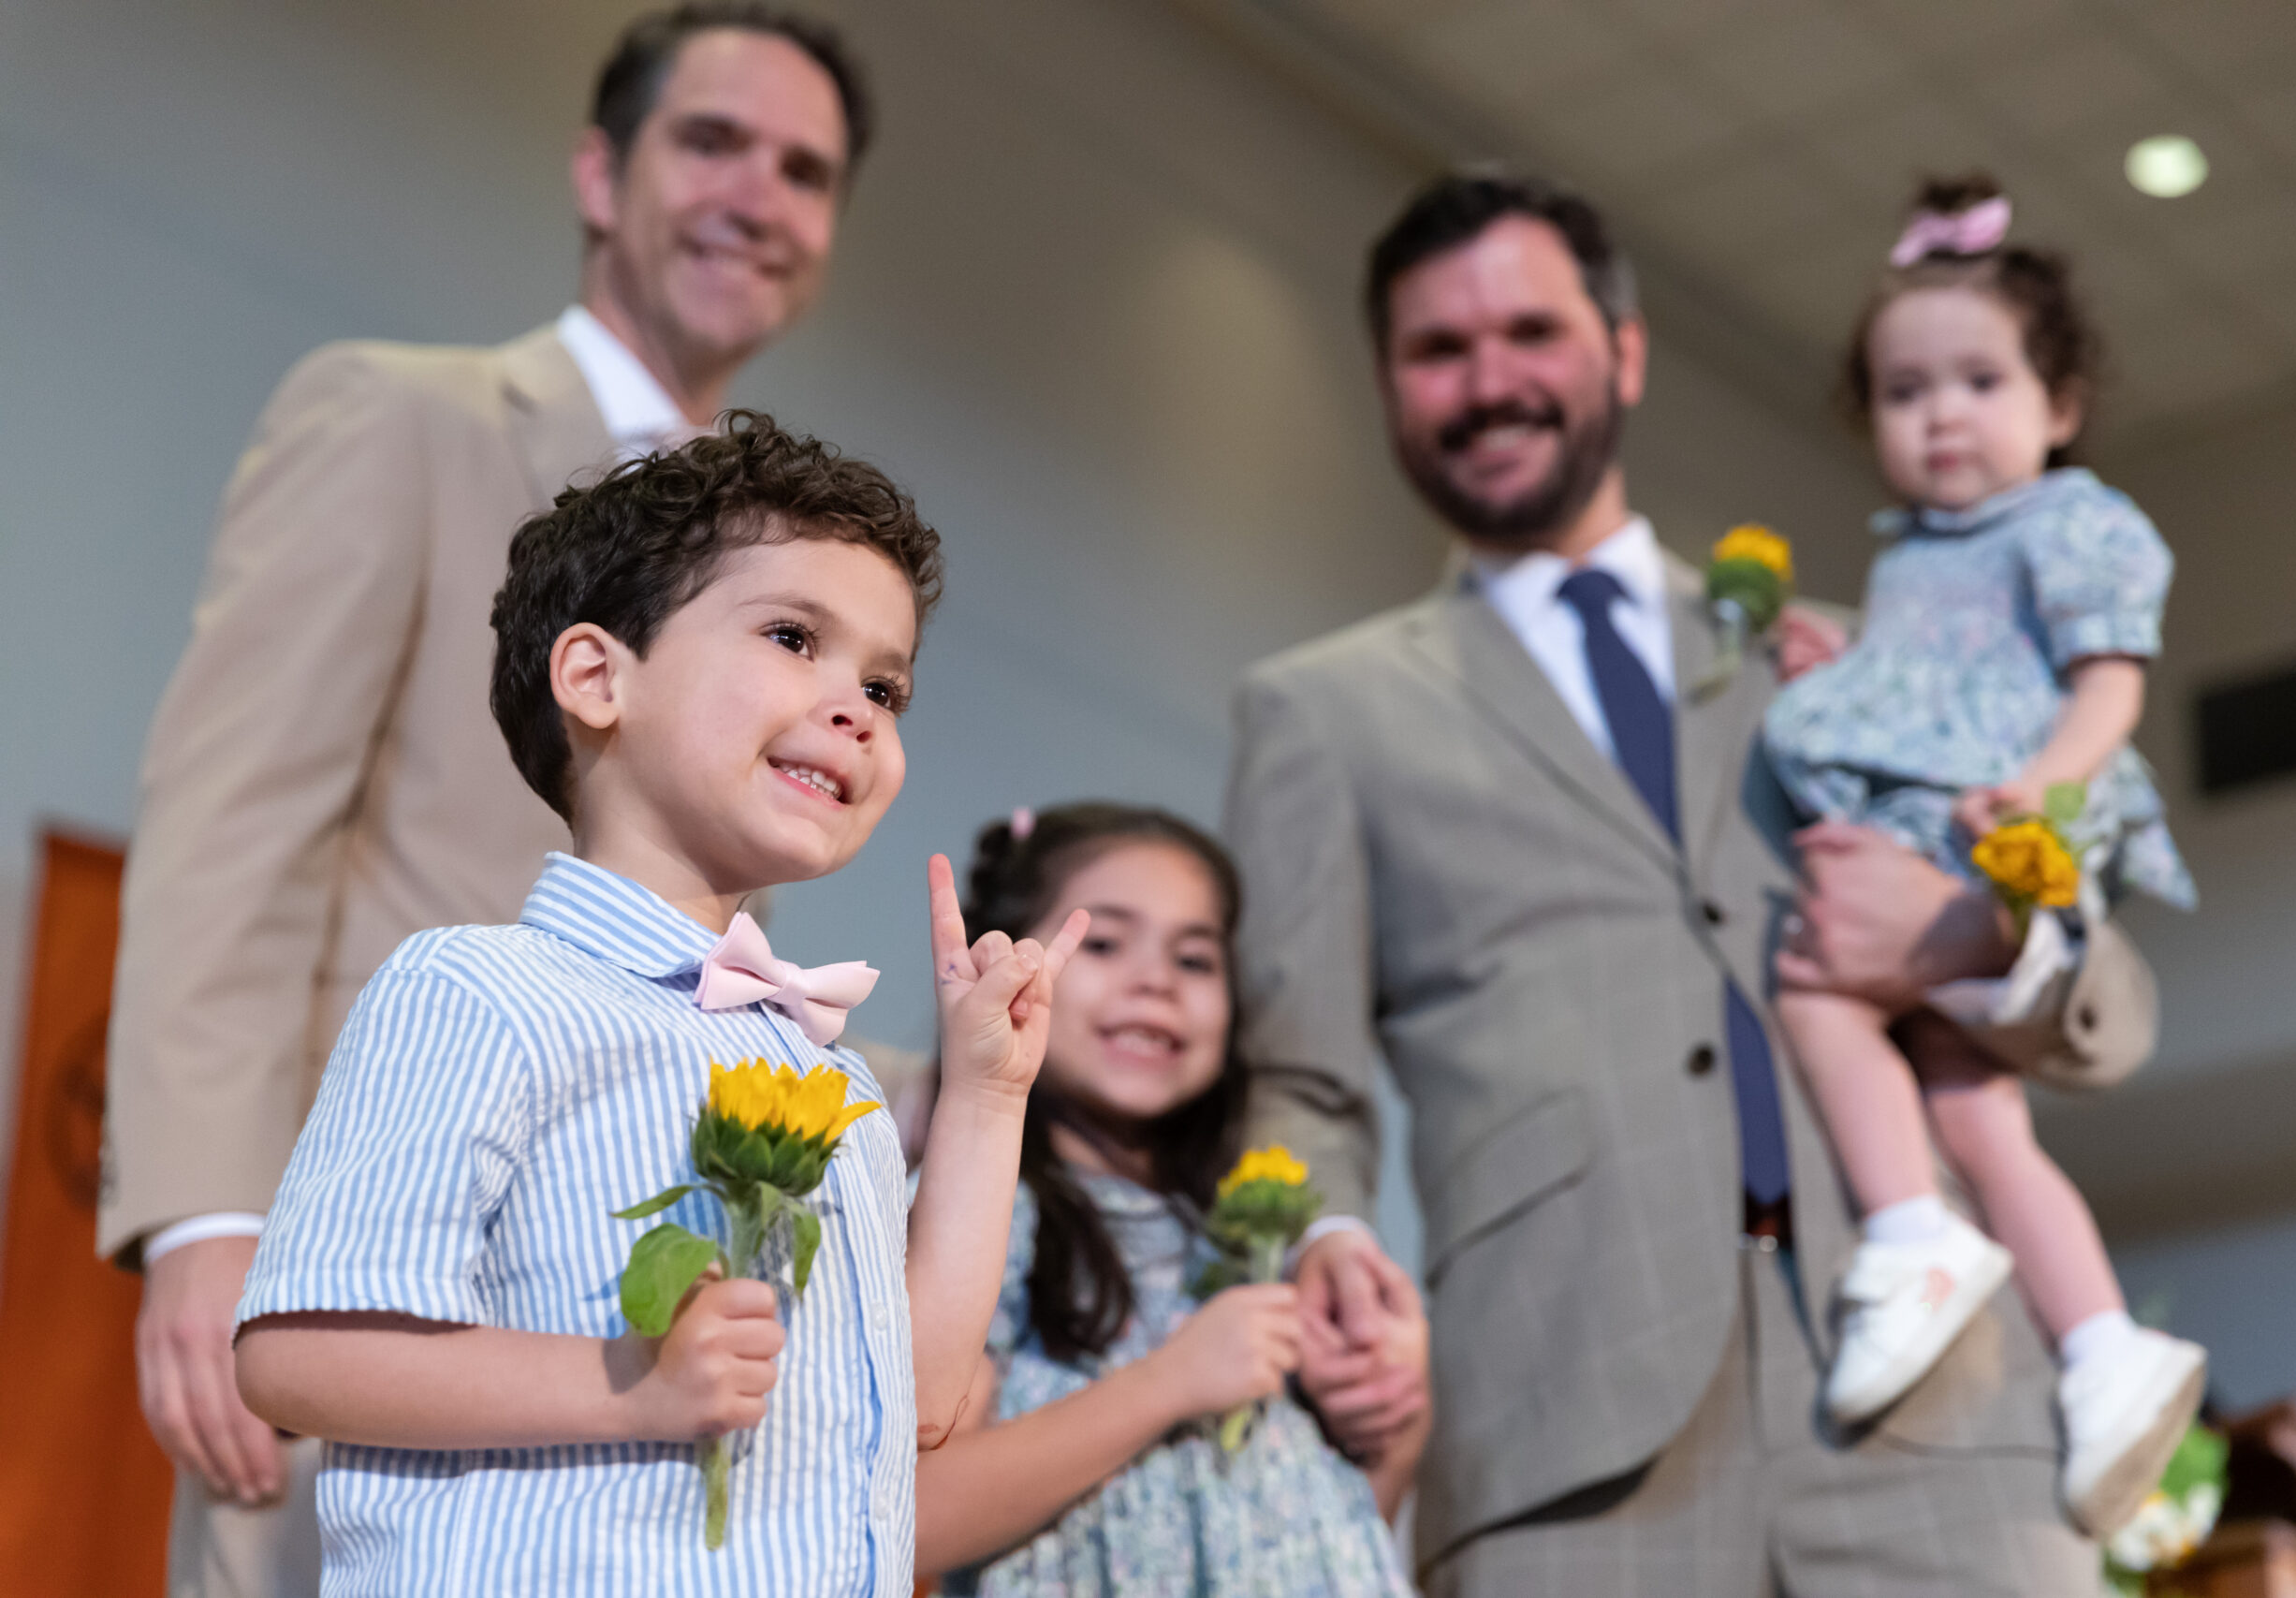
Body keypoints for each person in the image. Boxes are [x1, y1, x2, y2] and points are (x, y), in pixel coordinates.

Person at [1226, 169, 2166, 1595]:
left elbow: (2114, 1005)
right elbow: (1297, 1084)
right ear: (1386, 382)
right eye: (1439, 350)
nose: (1491, 381)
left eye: (1531, 332)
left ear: (1626, 349)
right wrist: (1331, 1237)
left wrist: (1960, 935)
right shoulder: (1319, 710)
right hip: (1563, 1450)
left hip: (1951, 1425)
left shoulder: (1852, 658)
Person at [98, 7, 871, 1591]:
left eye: (805, 171)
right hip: (381, 1264)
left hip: (637, 1333)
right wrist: (203, 1222)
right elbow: (235, 825)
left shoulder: (791, 578)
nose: (757, 194)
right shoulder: (404, 417)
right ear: (602, 171)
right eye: (712, 141)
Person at [228, 417, 1081, 1594]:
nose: (860, 710)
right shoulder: (481, 991)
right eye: (794, 638)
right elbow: (295, 1353)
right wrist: (629, 1385)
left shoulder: (830, 1081)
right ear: (595, 676)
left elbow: (921, 1403)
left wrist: (988, 1095)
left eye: (886, 686)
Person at [1763, 173, 2205, 1532]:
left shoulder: (2069, 522)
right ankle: (2104, 1344)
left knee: (1820, 989)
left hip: (1994, 838)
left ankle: (1912, 1235)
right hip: (1944, 821)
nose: (1940, 412)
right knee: (1976, 1112)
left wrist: (2040, 789)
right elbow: (1933, 670)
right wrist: (1855, 663)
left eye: (1977, 379)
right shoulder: (1910, 552)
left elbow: (2111, 685)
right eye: (1905, 392)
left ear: (2057, 406)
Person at [916, 804, 1424, 1598]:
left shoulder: (1256, 1234)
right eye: (1106, 943)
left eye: (1194, 959)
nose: (1154, 980)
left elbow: (1346, 1521)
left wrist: (1392, 1413)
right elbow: (911, 1509)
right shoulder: (986, 1216)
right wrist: (1169, 1383)